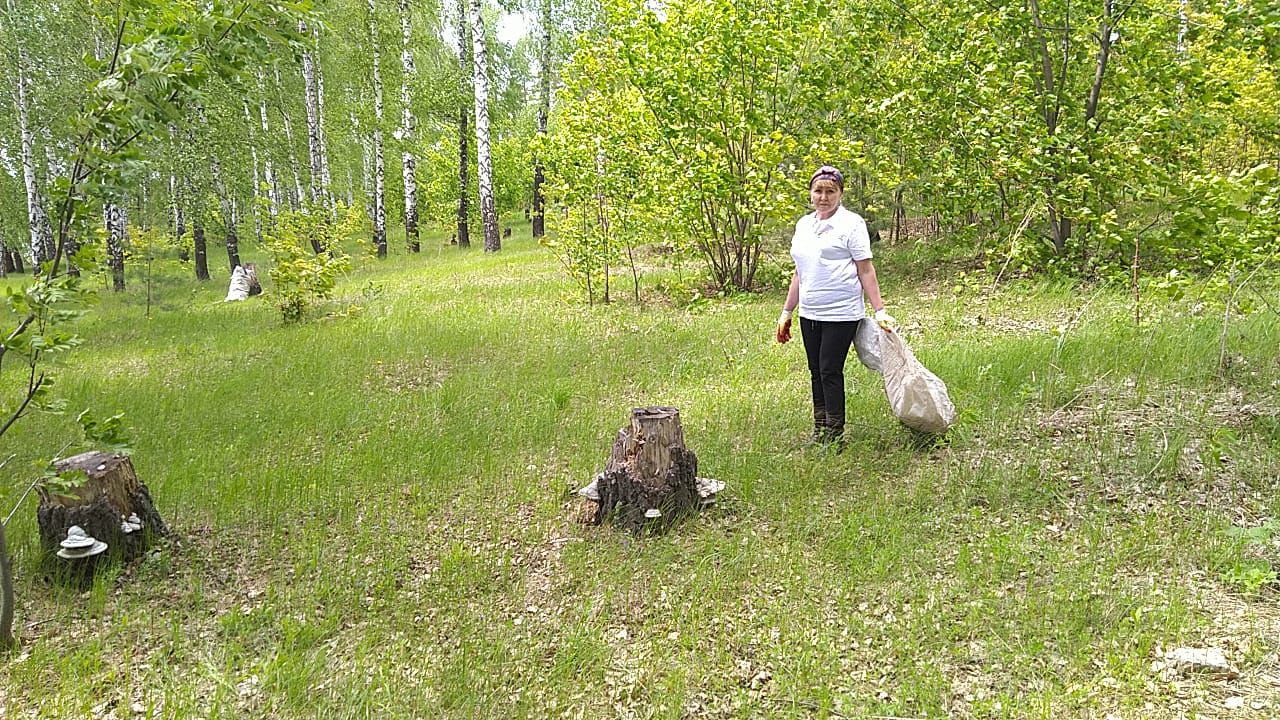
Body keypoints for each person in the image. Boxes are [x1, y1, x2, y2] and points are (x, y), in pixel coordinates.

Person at [776, 165, 895, 447]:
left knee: (830, 369)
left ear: (840, 193)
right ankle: (820, 428)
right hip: (810, 311)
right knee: (815, 369)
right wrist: (786, 311)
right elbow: (799, 272)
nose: (824, 197)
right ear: (811, 193)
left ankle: (835, 435)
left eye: (831, 191)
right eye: (818, 190)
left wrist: (880, 311)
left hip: (841, 312)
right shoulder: (804, 225)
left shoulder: (851, 224)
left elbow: (865, 269)